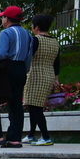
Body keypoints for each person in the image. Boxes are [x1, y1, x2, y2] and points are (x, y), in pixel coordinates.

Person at [0, 5, 33, 148]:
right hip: (21, 69)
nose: (2, 19)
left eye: (3, 17)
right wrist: (23, 69)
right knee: (16, 104)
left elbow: (1, 54)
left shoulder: (5, 33)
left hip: (5, 69)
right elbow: (29, 57)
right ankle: (14, 139)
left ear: (7, 19)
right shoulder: (28, 34)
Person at [22, 14, 61, 146]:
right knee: (34, 105)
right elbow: (57, 62)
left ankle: (46, 137)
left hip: (35, 74)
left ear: (36, 27)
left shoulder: (35, 40)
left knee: (35, 107)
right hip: (49, 74)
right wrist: (56, 78)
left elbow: (28, 58)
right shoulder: (55, 41)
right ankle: (31, 134)